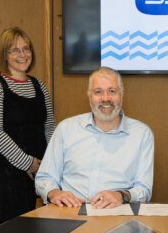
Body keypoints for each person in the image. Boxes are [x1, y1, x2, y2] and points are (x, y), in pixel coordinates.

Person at [35, 66, 154, 208]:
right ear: (89, 95)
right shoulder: (66, 129)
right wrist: (54, 193)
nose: (105, 99)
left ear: (121, 94)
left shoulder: (142, 134)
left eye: (112, 91)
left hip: (117, 213)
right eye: (98, 92)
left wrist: (121, 196)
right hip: (70, 212)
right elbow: (45, 177)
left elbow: (144, 190)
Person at [0, 27, 56, 225]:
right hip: (6, 176)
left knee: (40, 230)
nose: (22, 55)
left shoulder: (39, 85)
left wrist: (50, 163)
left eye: (26, 48)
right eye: (14, 50)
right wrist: (27, 163)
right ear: (4, 55)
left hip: (39, 171)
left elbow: (49, 127)